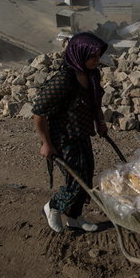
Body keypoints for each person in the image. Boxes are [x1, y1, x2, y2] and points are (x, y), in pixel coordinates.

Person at [32, 32, 108, 233]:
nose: (97, 61)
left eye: (98, 56)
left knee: (87, 174)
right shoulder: (64, 80)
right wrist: (45, 143)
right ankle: (53, 206)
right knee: (77, 181)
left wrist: (100, 122)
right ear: (79, 54)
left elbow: (95, 101)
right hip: (63, 137)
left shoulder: (92, 74)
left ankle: (74, 218)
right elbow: (38, 112)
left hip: (82, 132)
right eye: (93, 57)